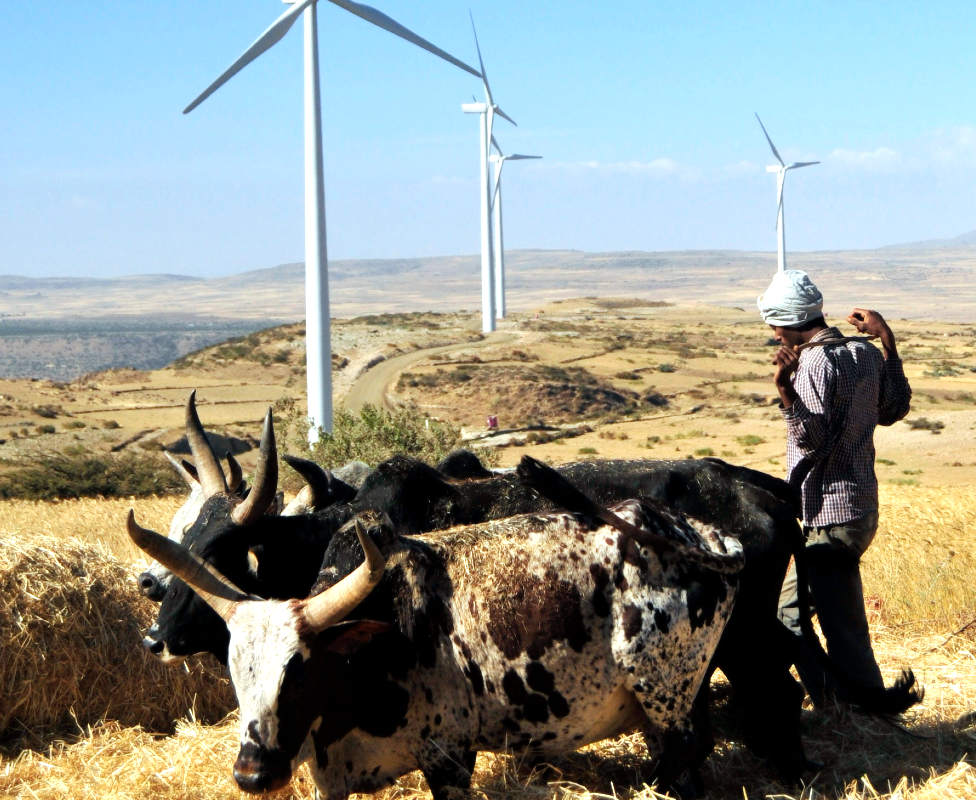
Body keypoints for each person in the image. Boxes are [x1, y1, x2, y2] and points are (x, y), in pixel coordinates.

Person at [757, 269, 912, 706]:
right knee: (793, 613)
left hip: (829, 514)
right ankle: (836, 700)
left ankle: (855, 707)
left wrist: (785, 391)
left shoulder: (813, 362)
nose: (773, 334)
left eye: (774, 325)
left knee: (830, 625)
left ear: (787, 320)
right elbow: (893, 409)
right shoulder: (862, 353)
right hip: (860, 507)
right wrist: (888, 344)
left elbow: (813, 440)